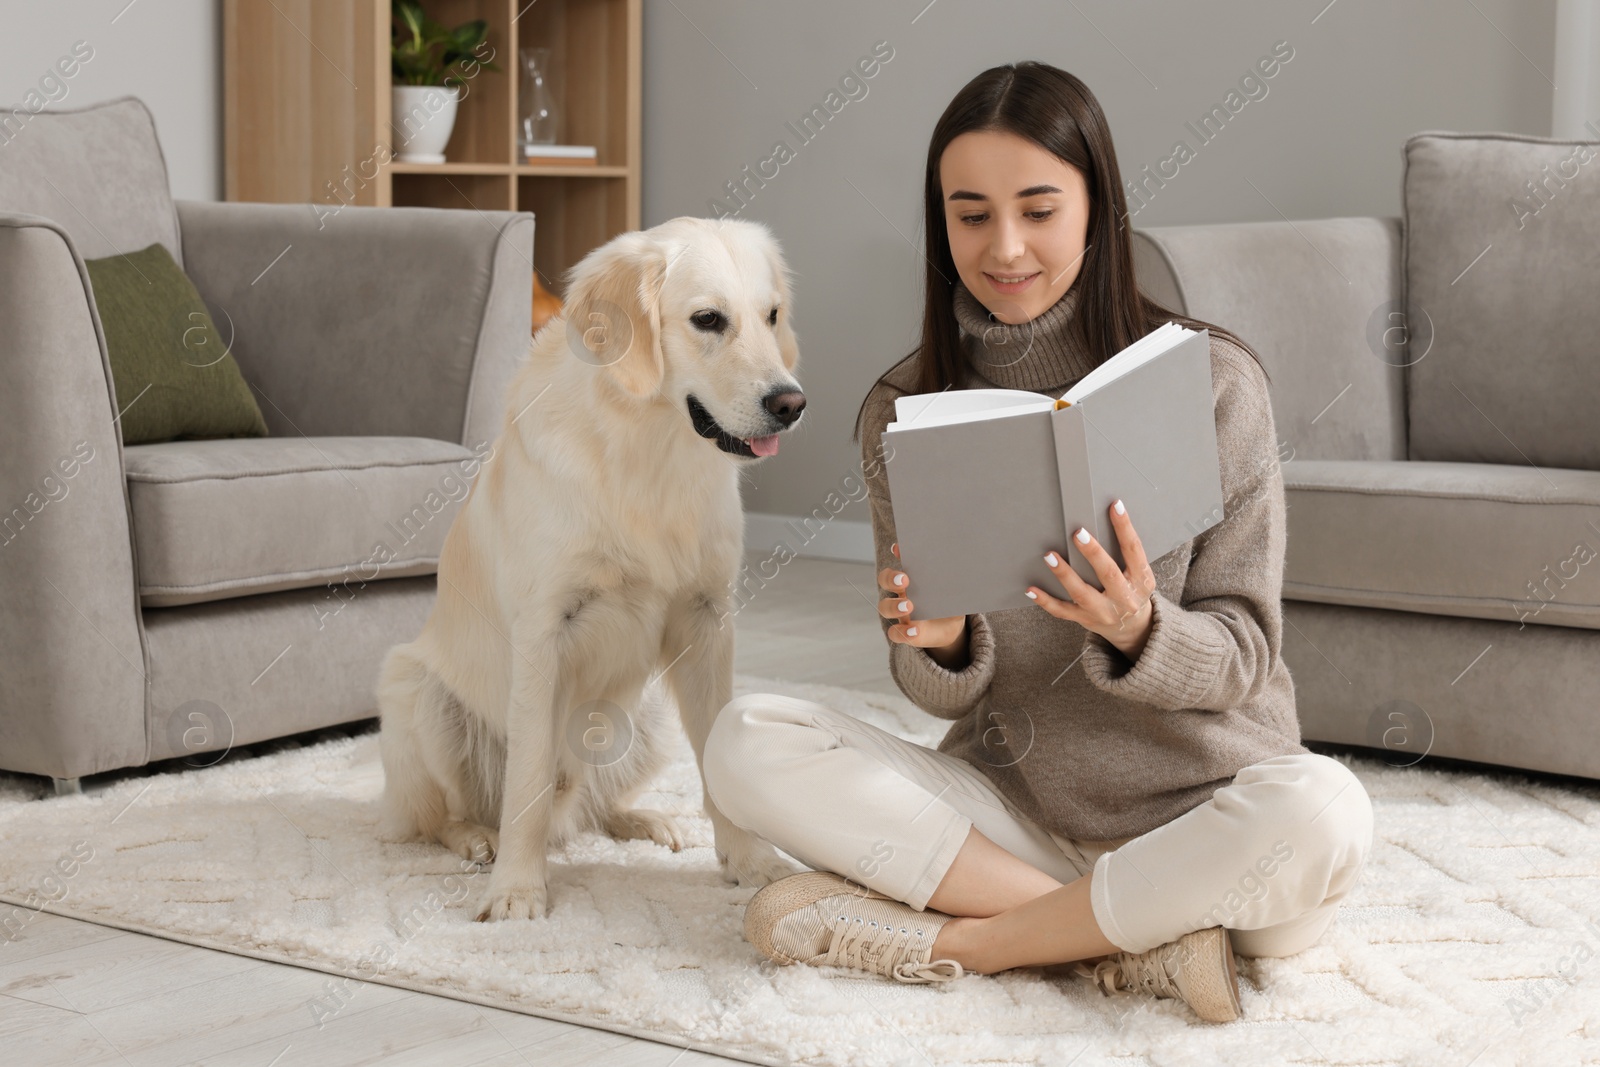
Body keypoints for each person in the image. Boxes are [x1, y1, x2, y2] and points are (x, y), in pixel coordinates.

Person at [700, 60, 1373, 1024]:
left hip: (1211, 819)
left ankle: (973, 942)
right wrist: (937, 644)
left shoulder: (1217, 383)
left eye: (1039, 209)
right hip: (1015, 822)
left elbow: (1246, 653)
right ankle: (1138, 939)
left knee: (1326, 810)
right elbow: (933, 686)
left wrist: (1142, 628)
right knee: (746, 741)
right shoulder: (906, 407)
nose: (1004, 246)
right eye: (970, 215)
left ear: (1098, 209)